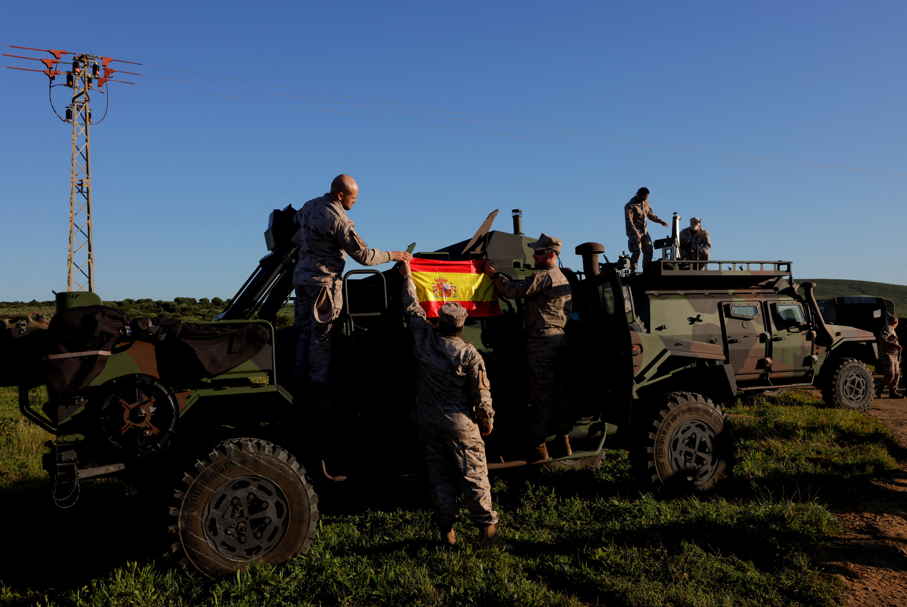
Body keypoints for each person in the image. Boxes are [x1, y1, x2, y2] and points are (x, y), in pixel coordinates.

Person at [399, 260, 509, 550]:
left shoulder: (423, 338)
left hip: (427, 422)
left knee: (440, 479)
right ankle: (489, 537)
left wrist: (408, 277)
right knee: (474, 479)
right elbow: (481, 396)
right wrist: (487, 421)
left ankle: (447, 536)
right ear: (462, 326)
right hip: (460, 426)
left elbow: (412, 308)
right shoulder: (469, 354)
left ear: (438, 321)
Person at [293, 174, 412, 402]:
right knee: (322, 336)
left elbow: (295, 221)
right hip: (324, 284)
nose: (355, 201)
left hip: (302, 280)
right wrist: (393, 255)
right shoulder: (338, 220)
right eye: (353, 197)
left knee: (306, 332)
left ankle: (299, 380)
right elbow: (364, 256)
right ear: (341, 195)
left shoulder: (310, 205)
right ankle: (318, 390)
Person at [484, 234, 573, 462]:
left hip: (541, 345)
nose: (534, 255)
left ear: (551, 255)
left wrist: (495, 275)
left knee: (541, 396)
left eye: (539, 252)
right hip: (559, 341)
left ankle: (539, 448)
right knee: (561, 393)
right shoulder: (563, 277)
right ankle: (564, 442)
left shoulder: (544, 276)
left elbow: (513, 291)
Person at [624, 187, 668, 274]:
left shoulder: (646, 204)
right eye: (643, 198)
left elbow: (650, 214)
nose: (644, 200)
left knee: (649, 251)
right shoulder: (630, 205)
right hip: (634, 231)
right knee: (637, 252)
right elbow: (629, 221)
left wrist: (660, 221)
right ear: (638, 194)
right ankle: (632, 273)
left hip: (644, 231)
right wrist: (636, 234)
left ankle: (646, 272)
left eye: (646, 198)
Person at [876, 316, 902, 399]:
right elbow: (882, 339)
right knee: (890, 373)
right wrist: (894, 345)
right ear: (896, 322)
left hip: (894, 355)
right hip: (887, 355)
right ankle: (880, 389)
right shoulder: (888, 328)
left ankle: (893, 391)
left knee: (896, 374)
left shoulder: (891, 329)